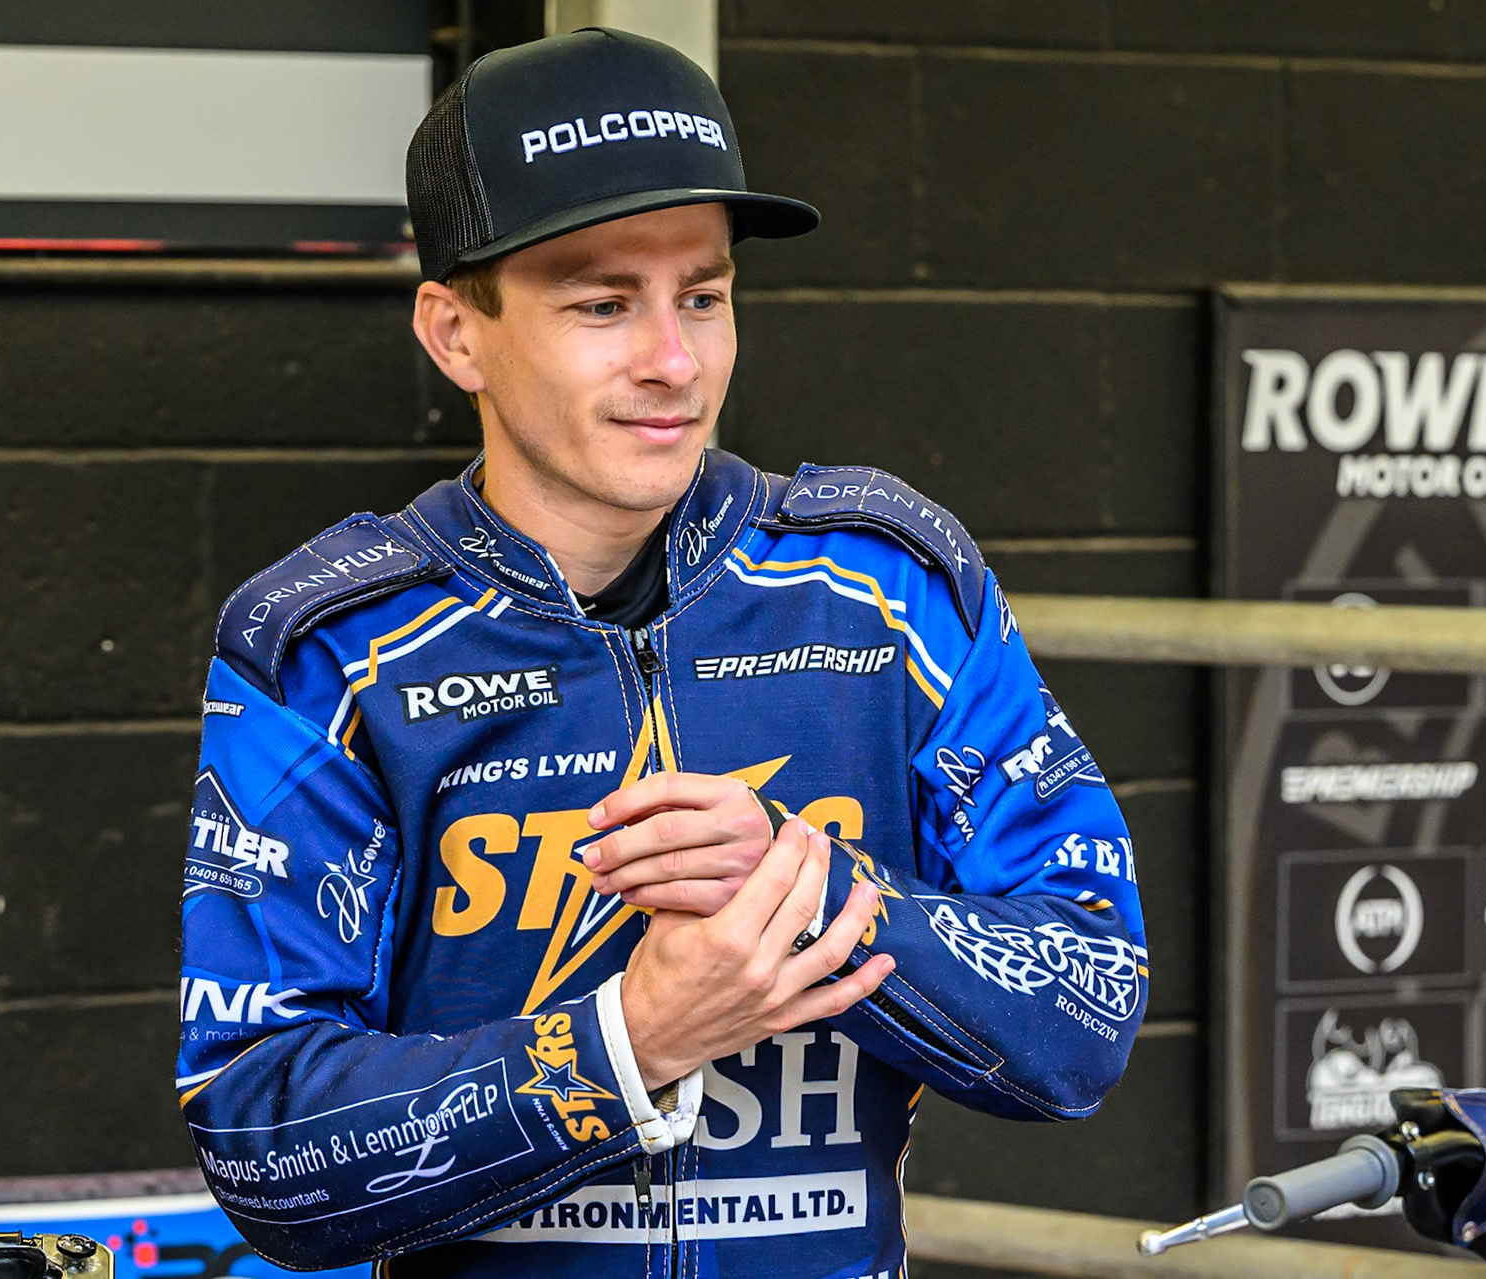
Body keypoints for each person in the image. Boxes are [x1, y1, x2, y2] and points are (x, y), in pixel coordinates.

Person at [178, 27, 1146, 1278]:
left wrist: (819, 902)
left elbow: (1088, 1016)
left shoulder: (889, 586)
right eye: (601, 303)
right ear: (454, 332)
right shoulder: (325, 641)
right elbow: (262, 1144)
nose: (674, 363)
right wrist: (627, 1041)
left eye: (704, 294)